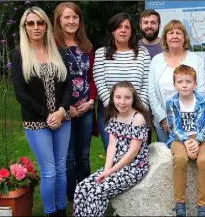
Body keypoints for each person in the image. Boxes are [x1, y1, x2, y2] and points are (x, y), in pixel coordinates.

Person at [12, 6, 71, 216]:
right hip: (36, 122)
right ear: (25, 27)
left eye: (40, 23)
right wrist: (48, 114)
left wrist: (62, 110)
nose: (36, 27)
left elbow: (68, 86)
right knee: (49, 172)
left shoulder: (59, 52)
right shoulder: (19, 55)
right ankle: (50, 212)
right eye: (31, 23)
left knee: (61, 170)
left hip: (63, 120)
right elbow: (21, 94)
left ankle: (61, 210)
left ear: (46, 26)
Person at [73, 81, 151, 216]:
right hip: (114, 166)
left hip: (133, 168)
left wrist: (110, 172)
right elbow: (111, 146)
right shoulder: (114, 116)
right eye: (118, 97)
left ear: (133, 99)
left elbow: (132, 153)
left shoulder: (137, 119)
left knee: (97, 192)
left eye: (127, 98)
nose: (122, 102)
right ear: (112, 98)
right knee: (82, 188)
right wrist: (106, 170)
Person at [53, 2, 97, 211]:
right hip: (65, 109)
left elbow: (91, 78)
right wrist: (65, 108)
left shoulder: (86, 46)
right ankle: (71, 199)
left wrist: (90, 102)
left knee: (84, 155)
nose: (71, 21)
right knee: (68, 156)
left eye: (75, 17)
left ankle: (86, 195)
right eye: (67, 17)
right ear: (59, 21)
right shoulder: (53, 45)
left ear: (80, 20)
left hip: (86, 108)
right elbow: (53, 82)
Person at [93, 12, 151, 151]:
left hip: (137, 113)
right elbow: (100, 82)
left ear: (132, 31)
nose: (123, 30)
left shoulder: (142, 53)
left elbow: (147, 83)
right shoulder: (101, 53)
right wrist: (116, 109)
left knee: (136, 156)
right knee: (113, 154)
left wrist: (136, 111)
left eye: (127, 27)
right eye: (119, 27)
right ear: (113, 31)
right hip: (109, 113)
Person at [166, 65, 205, 217]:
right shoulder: (171, 103)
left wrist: (197, 140)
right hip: (179, 138)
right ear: (174, 85)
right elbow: (173, 127)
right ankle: (180, 204)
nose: (184, 85)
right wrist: (186, 141)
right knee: (180, 159)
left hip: (202, 137)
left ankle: (203, 206)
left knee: (203, 161)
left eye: (188, 81)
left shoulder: (203, 101)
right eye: (180, 82)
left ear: (195, 83)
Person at [149, 20, 205, 143]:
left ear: (184, 38)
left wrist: (189, 119)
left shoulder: (196, 60)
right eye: (171, 33)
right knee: (167, 159)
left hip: (191, 122)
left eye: (178, 33)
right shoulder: (156, 61)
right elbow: (151, 92)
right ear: (165, 38)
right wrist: (164, 118)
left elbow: (200, 91)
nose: (174, 36)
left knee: (189, 158)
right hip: (164, 124)